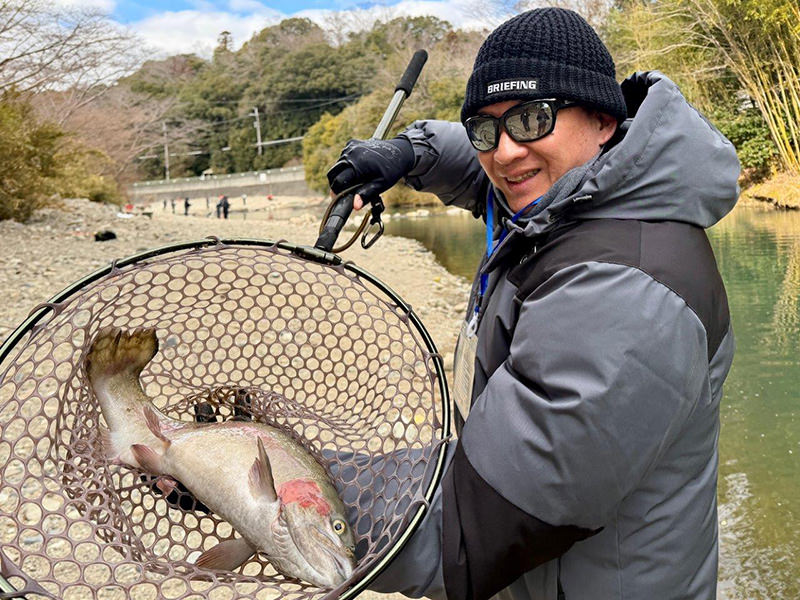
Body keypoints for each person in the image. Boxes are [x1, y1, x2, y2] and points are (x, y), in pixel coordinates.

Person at [327, 8, 739, 600]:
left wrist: (269, 480)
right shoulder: (575, 195)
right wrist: (408, 152)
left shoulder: (628, 291)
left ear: (602, 119)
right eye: (485, 130)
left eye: (532, 117)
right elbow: (494, 162)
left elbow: (465, 529)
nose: (506, 154)